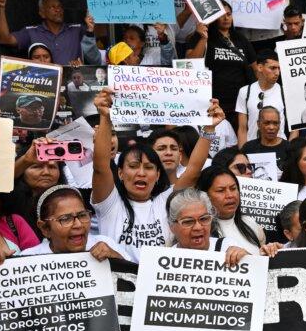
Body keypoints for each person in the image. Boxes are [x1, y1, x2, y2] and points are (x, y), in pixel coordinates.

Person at [90, 88, 219, 261]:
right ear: (120, 173)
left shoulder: (167, 201)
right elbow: (101, 166)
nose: (141, 173)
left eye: (149, 167)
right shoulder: (109, 203)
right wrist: (105, 116)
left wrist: (209, 127)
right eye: (134, 166)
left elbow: (194, 170)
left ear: (158, 175)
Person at [186, 0, 257, 129]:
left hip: (239, 104)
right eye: (221, 15)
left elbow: (255, 68)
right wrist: (203, 38)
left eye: (229, 14)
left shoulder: (241, 39)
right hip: (214, 103)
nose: (226, 18)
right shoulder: (203, 36)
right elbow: (191, 62)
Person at [19, 185, 121, 259]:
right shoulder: (27, 259)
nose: (78, 224)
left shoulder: (106, 245)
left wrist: (117, 260)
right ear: (45, 228)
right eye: (65, 219)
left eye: (82, 215)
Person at [0, 0, 85, 64]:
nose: (58, 10)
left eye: (59, 6)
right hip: (44, 82)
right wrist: (1, 7)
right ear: (42, 13)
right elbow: (4, 39)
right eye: (52, 7)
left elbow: (97, 37)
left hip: (72, 82)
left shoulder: (76, 30)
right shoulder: (32, 32)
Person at [164, 188, 250, 267]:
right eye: (188, 222)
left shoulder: (227, 247)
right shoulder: (164, 259)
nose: (198, 227)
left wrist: (246, 258)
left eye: (204, 219)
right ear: (172, 227)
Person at [236, 51, 285, 147]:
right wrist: (243, 153)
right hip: (252, 148)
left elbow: (294, 129)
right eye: (273, 68)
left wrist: (288, 150)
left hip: (280, 148)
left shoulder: (284, 91)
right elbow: (242, 128)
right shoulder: (245, 91)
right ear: (260, 67)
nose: (277, 73)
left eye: (279, 68)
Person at [242, 106, 290, 170]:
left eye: (275, 123)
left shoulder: (289, 147)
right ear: (258, 124)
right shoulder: (248, 148)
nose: (271, 127)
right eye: (267, 123)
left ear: (279, 124)